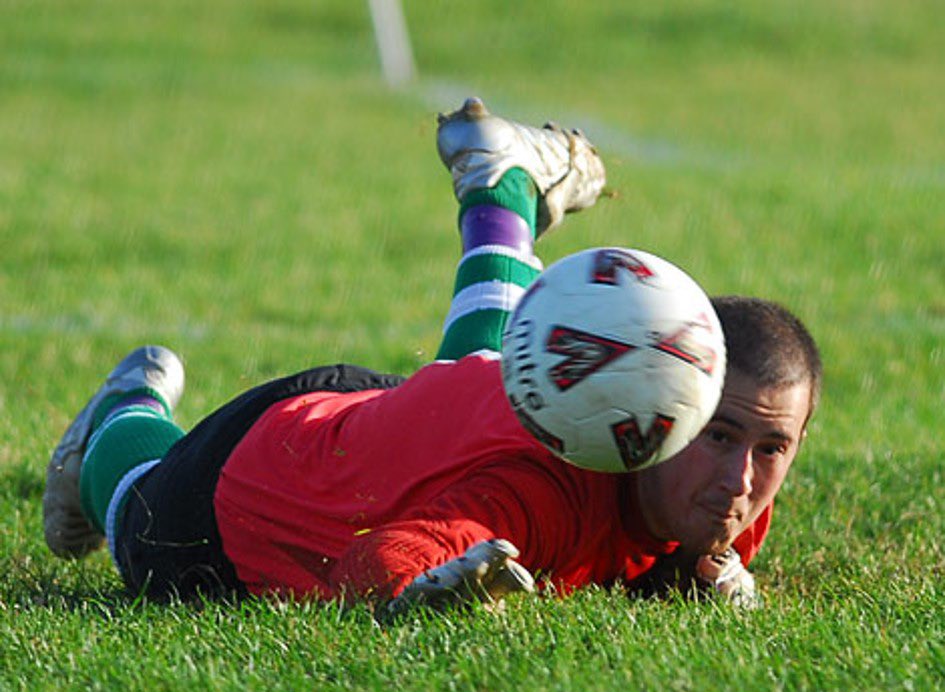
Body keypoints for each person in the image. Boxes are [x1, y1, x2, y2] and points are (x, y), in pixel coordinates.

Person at [42, 98, 822, 615]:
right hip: (244, 481)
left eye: (770, 448)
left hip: (389, 413)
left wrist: (693, 577)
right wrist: (439, 594)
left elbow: (669, 543)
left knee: (485, 365)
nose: (740, 480)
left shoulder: (725, 477)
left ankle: (502, 193)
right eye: (718, 438)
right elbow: (375, 569)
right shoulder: (534, 499)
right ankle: (122, 410)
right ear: (671, 415)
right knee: (143, 515)